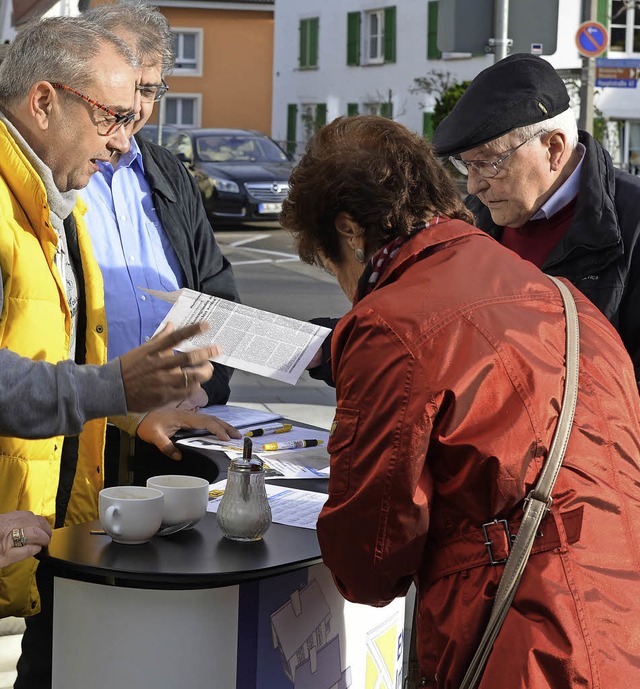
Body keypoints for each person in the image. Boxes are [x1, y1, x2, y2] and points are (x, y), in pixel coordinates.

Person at [279, 115, 640, 688]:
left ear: (349, 232)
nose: (344, 287)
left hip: (520, 638)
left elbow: (368, 561)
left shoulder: (393, 323)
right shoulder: (561, 297)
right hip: (619, 613)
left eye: (330, 264)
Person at [0, 15, 239, 687]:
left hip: (48, 518)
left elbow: (47, 356)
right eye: (110, 116)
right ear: (44, 102)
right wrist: (117, 390)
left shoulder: (50, 202)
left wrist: (132, 417)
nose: (121, 142)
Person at [79, 2, 240, 478]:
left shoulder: (167, 170)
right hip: (76, 431)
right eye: (129, 88)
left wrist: (207, 389)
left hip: (175, 431)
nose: (138, 108)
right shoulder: (56, 170)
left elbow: (216, 291)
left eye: (150, 90)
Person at [431, 52, 640, 387]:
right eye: (465, 165)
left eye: (488, 163)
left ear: (554, 149)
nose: (473, 185)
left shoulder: (633, 221)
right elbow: (431, 319)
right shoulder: (473, 217)